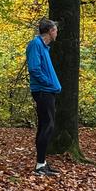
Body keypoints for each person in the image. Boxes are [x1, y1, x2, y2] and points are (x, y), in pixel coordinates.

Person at [26, 18, 62, 176]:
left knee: (45, 126)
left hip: (48, 91)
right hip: (43, 91)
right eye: (55, 30)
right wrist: (48, 83)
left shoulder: (44, 47)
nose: (57, 32)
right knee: (47, 126)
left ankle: (42, 163)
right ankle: (39, 166)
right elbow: (34, 69)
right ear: (50, 31)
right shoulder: (35, 44)